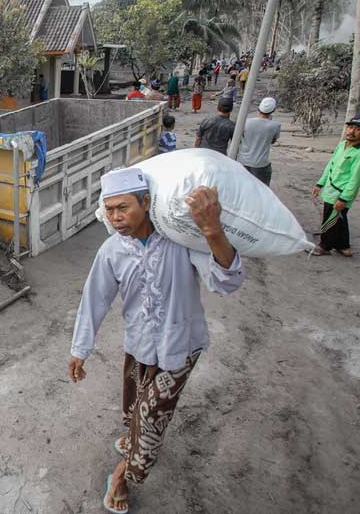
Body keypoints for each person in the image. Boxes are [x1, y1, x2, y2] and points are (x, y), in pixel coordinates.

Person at [68, 169, 244, 514]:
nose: (115, 218)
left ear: (147, 203)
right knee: (134, 408)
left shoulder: (181, 240)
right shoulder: (111, 251)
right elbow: (94, 300)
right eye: (109, 210)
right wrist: (80, 350)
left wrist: (211, 229)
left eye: (123, 208)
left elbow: (227, 281)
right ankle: (131, 441)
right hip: (139, 345)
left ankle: (122, 476)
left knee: (151, 420)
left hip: (182, 346)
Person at [310, 117, 360, 258]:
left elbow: (356, 179)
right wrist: (320, 183)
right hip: (330, 188)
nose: (351, 131)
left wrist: (344, 198)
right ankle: (343, 246)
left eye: (357, 129)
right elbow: (331, 165)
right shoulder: (342, 145)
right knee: (339, 218)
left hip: (341, 193)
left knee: (330, 219)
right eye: (350, 127)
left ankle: (324, 246)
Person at [236, 97, 281, 186]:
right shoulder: (275, 125)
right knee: (262, 189)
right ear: (273, 110)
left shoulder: (246, 122)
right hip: (261, 163)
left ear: (259, 108)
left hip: (243, 161)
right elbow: (272, 141)